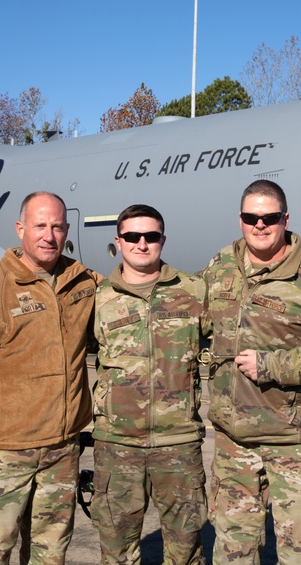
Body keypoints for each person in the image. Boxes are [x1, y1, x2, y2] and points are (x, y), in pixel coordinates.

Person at [0, 191, 100, 564]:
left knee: (51, 554)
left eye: (57, 226)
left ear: (67, 229)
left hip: (62, 450)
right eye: (40, 225)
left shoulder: (83, 284)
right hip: (4, 454)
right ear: (20, 229)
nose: (49, 235)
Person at [202, 179, 301, 565]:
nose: (260, 225)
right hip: (233, 446)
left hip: (296, 446)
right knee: (232, 555)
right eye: (250, 217)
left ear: (285, 219)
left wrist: (272, 365)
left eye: (269, 217)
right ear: (239, 219)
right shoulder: (220, 267)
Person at [90, 204, 208, 565]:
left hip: (179, 445)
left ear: (163, 240)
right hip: (116, 446)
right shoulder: (98, 297)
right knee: (116, 551)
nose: (141, 244)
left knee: (186, 550)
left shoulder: (194, 291)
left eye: (151, 236)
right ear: (118, 241)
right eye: (132, 236)